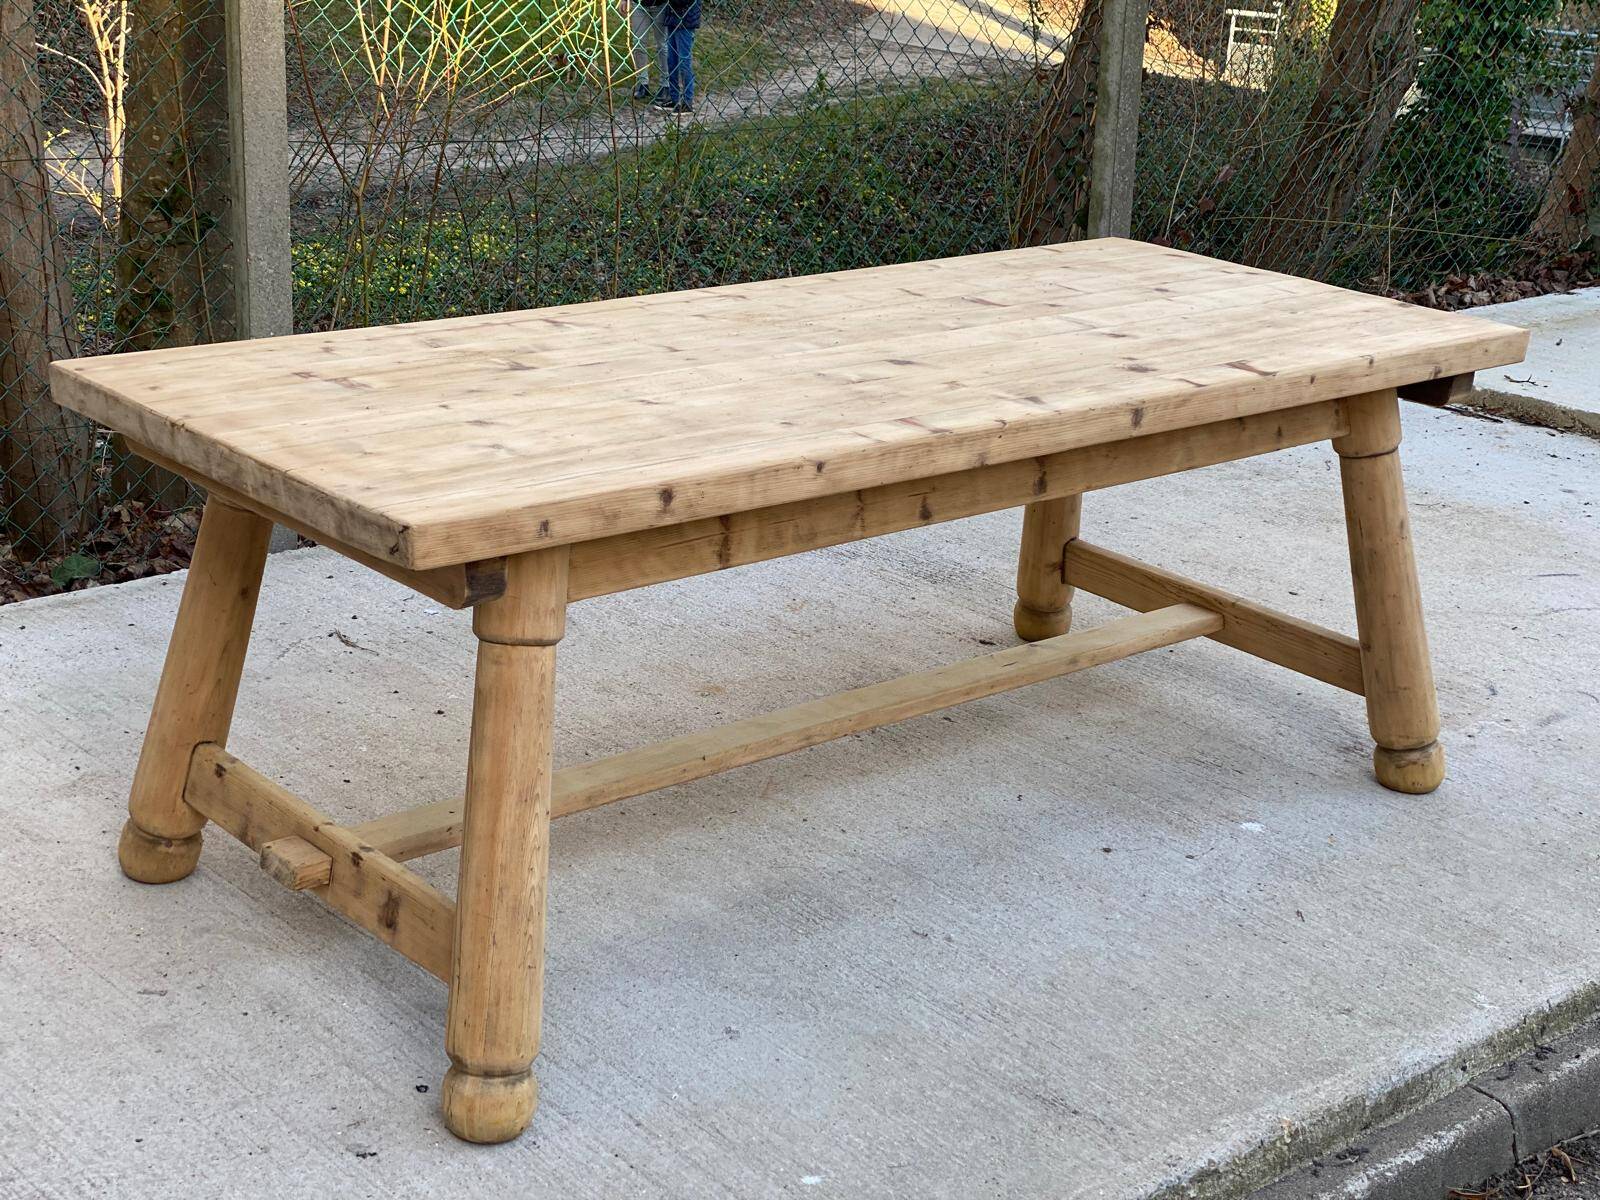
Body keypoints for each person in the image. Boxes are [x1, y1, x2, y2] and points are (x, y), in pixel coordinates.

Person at [650, 0, 700, 115]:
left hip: (686, 19)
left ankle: (688, 101)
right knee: (671, 60)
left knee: (683, 61)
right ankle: (674, 98)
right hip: (672, 18)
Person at [624, 0, 667, 103]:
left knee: (663, 45)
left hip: (661, 4)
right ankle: (642, 83)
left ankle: (665, 84)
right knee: (638, 44)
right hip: (639, 4)